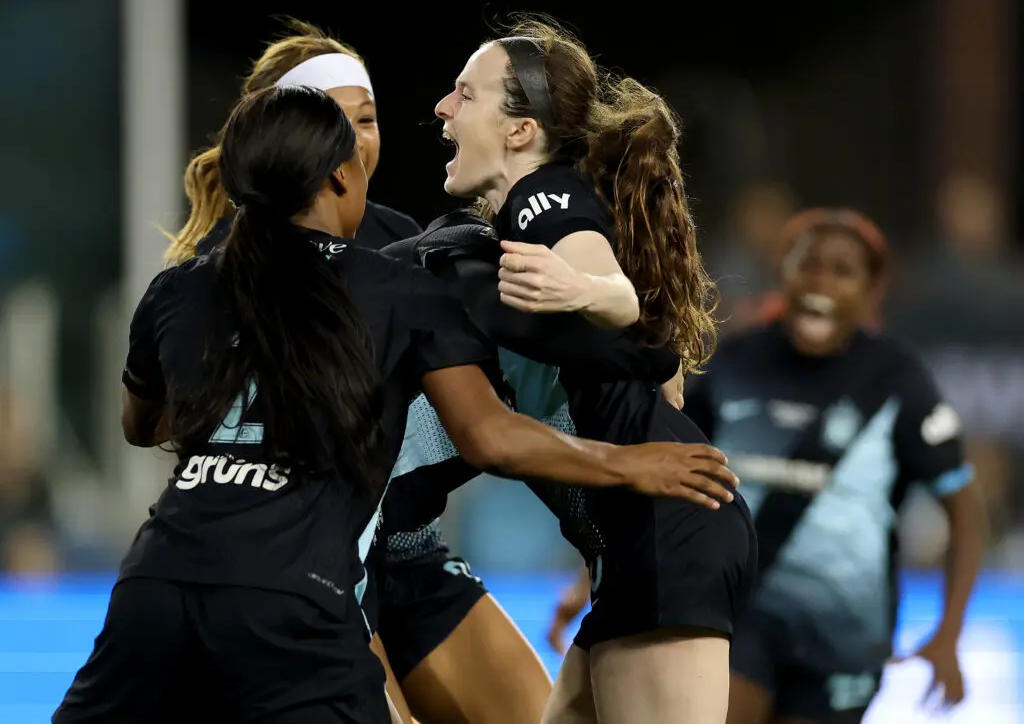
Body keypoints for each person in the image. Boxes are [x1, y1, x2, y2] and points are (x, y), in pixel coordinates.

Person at [54, 86, 741, 724]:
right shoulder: (398, 290)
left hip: (156, 584)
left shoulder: (177, 289)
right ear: (340, 176)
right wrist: (631, 462)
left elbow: (141, 424)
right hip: (291, 598)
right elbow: (490, 437)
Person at [166, 21, 553, 724]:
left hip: (407, 551)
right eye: (331, 119)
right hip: (320, 566)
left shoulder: (403, 242)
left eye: (367, 119)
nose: (355, 140)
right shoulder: (227, 269)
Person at [427, 18, 759, 724]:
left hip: (667, 531)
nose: (444, 108)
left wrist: (586, 290)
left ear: (521, 131)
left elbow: (612, 291)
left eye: (466, 94)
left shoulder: (541, 197)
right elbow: (646, 357)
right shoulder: (530, 215)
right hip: (636, 542)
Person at [674, 209, 984, 724]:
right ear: (783, 273)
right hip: (739, 612)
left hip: (845, 634)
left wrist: (949, 633)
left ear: (872, 289)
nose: (821, 282)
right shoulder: (733, 362)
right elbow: (669, 471)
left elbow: (965, 512)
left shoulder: (898, 381)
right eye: (809, 265)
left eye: (842, 271)